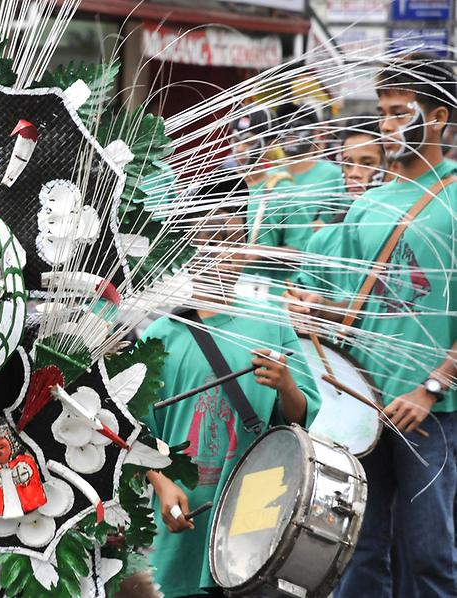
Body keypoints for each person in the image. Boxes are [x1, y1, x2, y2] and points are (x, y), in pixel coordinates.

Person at [286, 53, 457, 597]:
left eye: (398, 111)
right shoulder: (367, 206)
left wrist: (432, 387)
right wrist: (310, 312)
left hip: (431, 415)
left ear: (437, 120)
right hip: (361, 411)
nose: (386, 126)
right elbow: (349, 313)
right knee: (355, 550)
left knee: (427, 554)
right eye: (382, 112)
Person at [140, 177, 321, 598]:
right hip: (184, 506)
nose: (218, 252)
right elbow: (137, 435)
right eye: (206, 239)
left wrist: (286, 384)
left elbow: (300, 418)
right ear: (185, 248)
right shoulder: (160, 337)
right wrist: (162, 484)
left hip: (254, 506)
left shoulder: (271, 320)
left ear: (245, 247)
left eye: (229, 238)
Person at [291, 117, 386, 302]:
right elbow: (304, 296)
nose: (354, 173)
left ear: (391, 165)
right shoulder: (322, 241)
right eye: (348, 164)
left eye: (367, 164)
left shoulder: (405, 229)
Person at [229, 105, 313, 298]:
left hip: (268, 298)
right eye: (235, 141)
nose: (240, 149)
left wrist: (262, 252)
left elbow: (304, 252)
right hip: (221, 295)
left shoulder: (282, 191)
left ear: (270, 143)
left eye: (249, 142)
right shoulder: (220, 187)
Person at [273, 102, 345, 230]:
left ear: (316, 132)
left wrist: (327, 228)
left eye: (299, 126)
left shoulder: (336, 176)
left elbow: (349, 222)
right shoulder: (270, 177)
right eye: (284, 126)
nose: (290, 131)